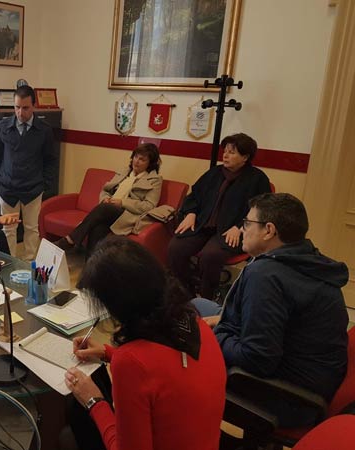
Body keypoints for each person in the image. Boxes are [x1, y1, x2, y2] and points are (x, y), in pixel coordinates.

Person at [196, 193, 348, 428]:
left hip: (285, 396)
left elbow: (257, 360)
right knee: (197, 306)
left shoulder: (266, 275)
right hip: (307, 375)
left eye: (247, 223)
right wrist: (223, 320)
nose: (243, 228)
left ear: (269, 230)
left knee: (187, 339)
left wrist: (215, 334)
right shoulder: (308, 258)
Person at [64, 237, 226, 450]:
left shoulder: (130, 363)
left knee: (69, 430)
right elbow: (165, 373)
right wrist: (107, 353)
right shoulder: (196, 323)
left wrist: (93, 400)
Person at [168, 133, 271, 299]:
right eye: (225, 151)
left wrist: (241, 227)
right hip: (202, 224)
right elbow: (194, 195)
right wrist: (191, 213)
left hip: (231, 230)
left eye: (232, 152)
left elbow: (262, 210)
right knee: (175, 248)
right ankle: (185, 290)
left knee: (211, 256)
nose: (225, 155)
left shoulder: (257, 179)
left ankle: (206, 296)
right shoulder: (214, 173)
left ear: (245, 157)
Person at [55, 143, 163, 255]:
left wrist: (122, 202)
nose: (137, 161)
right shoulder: (125, 172)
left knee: (104, 209)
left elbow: (149, 206)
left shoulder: (155, 179)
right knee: (97, 228)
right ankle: (91, 265)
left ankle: (71, 239)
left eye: (142, 159)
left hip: (128, 215)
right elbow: (105, 190)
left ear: (150, 163)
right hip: (109, 211)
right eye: (136, 157)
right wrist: (105, 198)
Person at [0, 85, 58, 260]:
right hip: (7, 188)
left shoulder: (44, 130)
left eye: (25, 108)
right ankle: (9, 262)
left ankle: (28, 264)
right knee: (8, 230)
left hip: (33, 189)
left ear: (34, 106)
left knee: (31, 228)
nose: (20, 112)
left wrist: (44, 184)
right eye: (17, 107)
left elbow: (50, 160)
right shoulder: (2, 127)